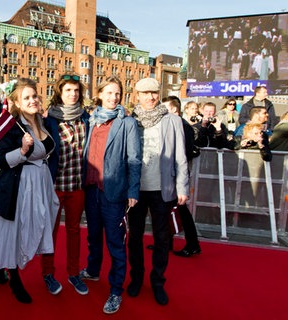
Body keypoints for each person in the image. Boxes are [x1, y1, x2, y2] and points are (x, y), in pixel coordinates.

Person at [0, 78, 59, 304]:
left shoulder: (42, 121)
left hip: (40, 184)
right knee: (16, 230)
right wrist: (22, 149)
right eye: (26, 97)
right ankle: (14, 276)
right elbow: (0, 161)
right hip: (18, 186)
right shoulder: (12, 126)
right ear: (16, 102)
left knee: (32, 226)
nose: (32, 100)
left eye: (35, 96)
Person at [79, 76, 142, 314]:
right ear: (99, 94)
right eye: (109, 93)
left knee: (115, 244)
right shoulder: (89, 120)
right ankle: (93, 271)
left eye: (117, 93)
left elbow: (134, 159)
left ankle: (116, 291)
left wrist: (133, 190)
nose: (114, 97)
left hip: (114, 192)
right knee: (93, 236)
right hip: (91, 188)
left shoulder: (127, 123)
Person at [127, 78, 189, 306]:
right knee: (134, 237)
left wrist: (182, 187)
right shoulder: (129, 120)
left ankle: (158, 281)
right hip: (135, 190)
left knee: (163, 238)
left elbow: (181, 157)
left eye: (154, 92)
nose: (150, 97)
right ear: (138, 96)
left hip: (163, 189)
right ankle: (136, 278)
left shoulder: (172, 120)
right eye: (145, 93)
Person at [43, 74, 90, 296]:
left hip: (77, 185)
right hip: (55, 185)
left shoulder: (86, 118)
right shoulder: (49, 119)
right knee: (50, 232)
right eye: (68, 90)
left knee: (74, 232)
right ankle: (48, 274)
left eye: (76, 90)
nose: (73, 94)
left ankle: (73, 273)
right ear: (60, 93)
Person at [162, 96, 202, 257]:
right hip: (170, 173)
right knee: (168, 210)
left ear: (173, 109)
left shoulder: (183, 126)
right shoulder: (174, 124)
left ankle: (192, 244)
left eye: (164, 108)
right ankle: (167, 242)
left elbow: (183, 154)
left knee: (181, 211)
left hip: (176, 175)